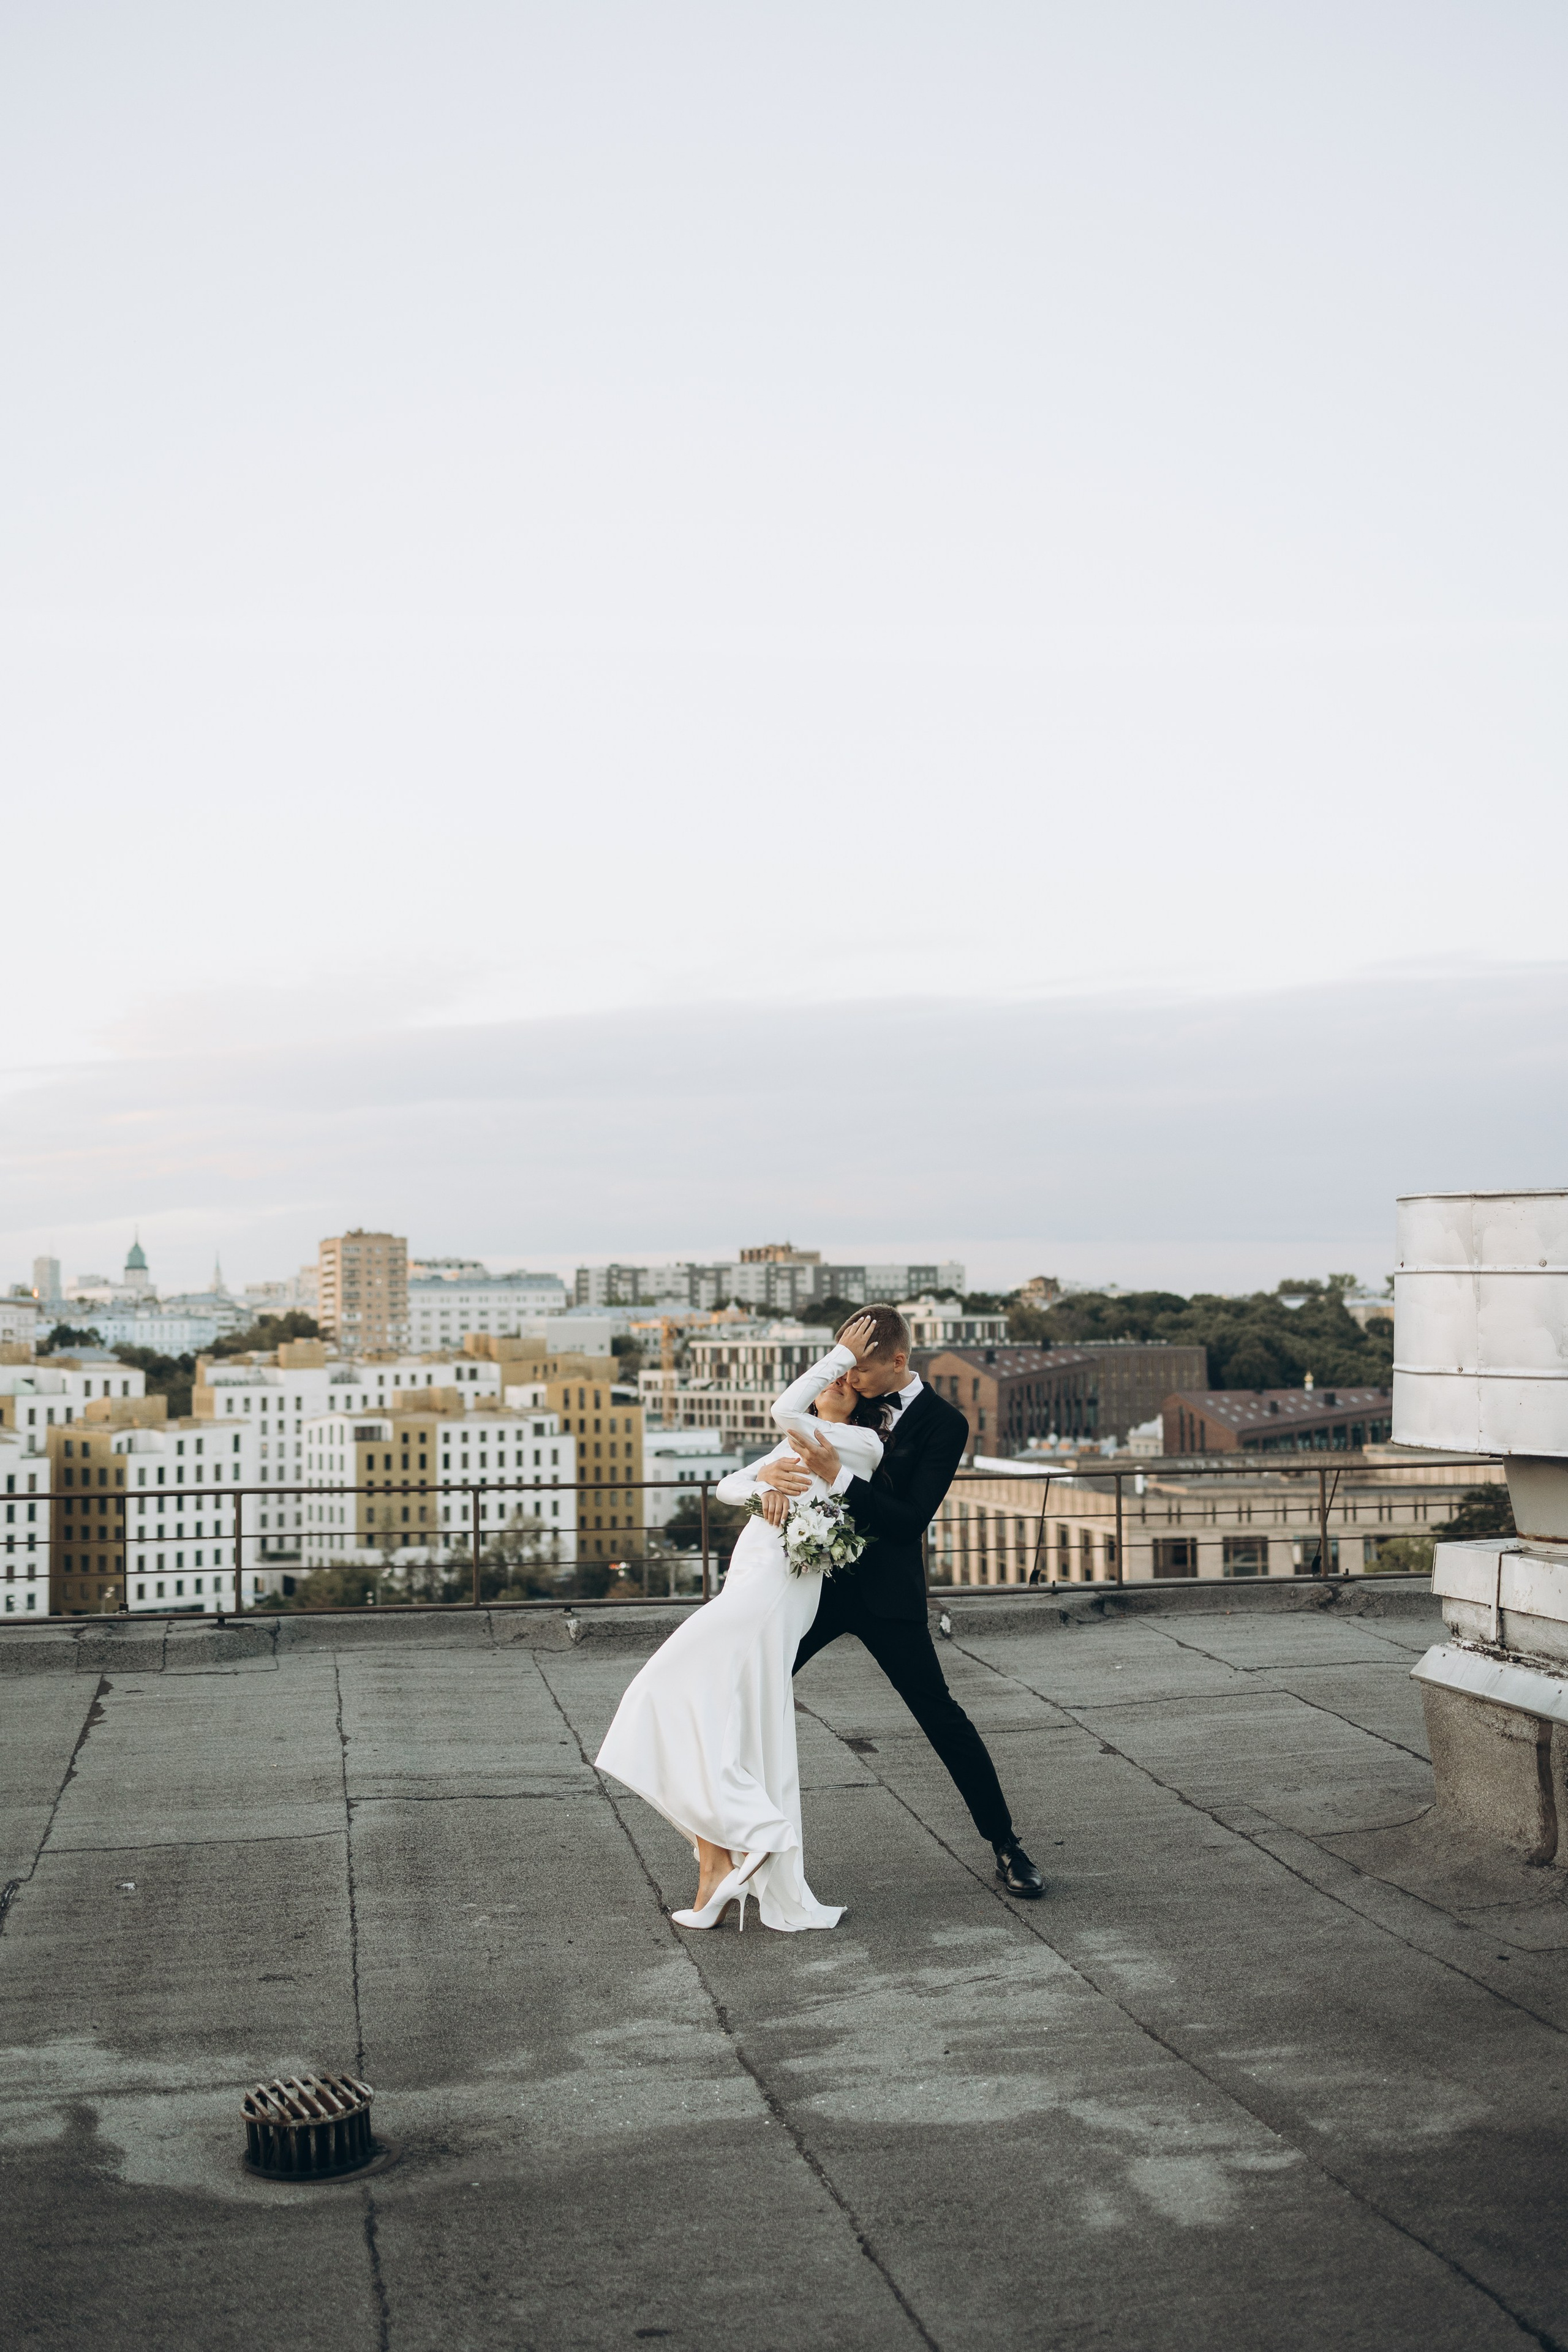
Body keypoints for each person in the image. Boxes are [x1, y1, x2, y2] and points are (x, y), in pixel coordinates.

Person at [594, 1316, 889, 1931]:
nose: (834, 1382)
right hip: (751, 1577)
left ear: (862, 1394)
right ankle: (715, 1861)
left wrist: (837, 1355)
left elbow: (783, 1406)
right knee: (725, 1721)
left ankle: (749, 1834)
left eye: (846, 1378)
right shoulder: (796, 1442)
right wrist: (762, 1482)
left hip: (774, 1590)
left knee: (659, 1693)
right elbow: (727, 1488)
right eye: (835, 1374)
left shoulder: (859, 1445)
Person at [761, 1303, 1046, 1899]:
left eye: (858, 1367)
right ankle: (734, 1842)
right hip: (813, 1586)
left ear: (897, 1361)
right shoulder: (842, 1397)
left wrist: (839, 1475)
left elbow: (910, 1519)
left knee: (942, 1718)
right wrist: (773, 1487)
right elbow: (783, 1457)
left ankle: (1006, 1845)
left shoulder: (945, 1424)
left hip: (888, 1595)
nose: (847, 1379)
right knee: (751, 1691)